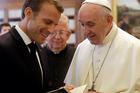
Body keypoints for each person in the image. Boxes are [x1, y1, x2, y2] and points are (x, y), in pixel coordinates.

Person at [64, 0, 140, 93]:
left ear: (108, 20)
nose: (85, 32)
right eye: (82, 24)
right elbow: (72, 86)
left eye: (90, 24)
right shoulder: (82, 48)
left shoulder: (135, 48)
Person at [0, 0, 63, 93]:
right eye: (48, 22)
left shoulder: (40, 48)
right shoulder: (2, 47)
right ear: (28, 13)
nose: (51, 30)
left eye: (55, 25)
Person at [43, 14, 75, 92]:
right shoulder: (37, 55)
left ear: (68, 35)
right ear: (45, 34)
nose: (57, 37)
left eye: (61, 32)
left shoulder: (76, 55)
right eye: (53, 32)